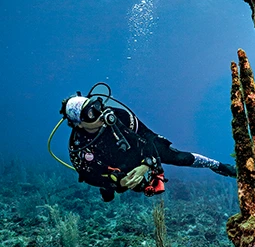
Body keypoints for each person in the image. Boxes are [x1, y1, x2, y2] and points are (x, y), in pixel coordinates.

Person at [57, 84, 236, 202]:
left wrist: (146, 165)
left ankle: (221, 166)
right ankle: (110, 190)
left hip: (137, 153)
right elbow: (89, 176)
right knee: (119, 190)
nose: (100, 112)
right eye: (91, 113)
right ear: (78, 123)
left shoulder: (119, 116)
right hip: (114, 169)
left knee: (174, 155)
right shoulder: (78, 146)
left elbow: (149, 137)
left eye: (97, 105)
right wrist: (116, 182)